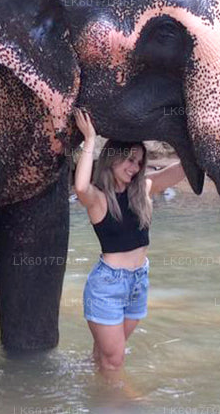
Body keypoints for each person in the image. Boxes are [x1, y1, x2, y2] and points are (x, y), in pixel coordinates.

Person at [72, 109, 186, 379]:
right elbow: (79, 187)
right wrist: (89, 139)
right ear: (113, 159)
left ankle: (88, 389)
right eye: (130, 160)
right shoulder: (98, 199)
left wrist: (192, 142)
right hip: (108, 287)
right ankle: (119, 409)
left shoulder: (143, 190)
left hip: (138, 282)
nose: (134, 168)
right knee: (115, 361)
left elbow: (180, 171)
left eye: (139, 162)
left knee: (105, 357)